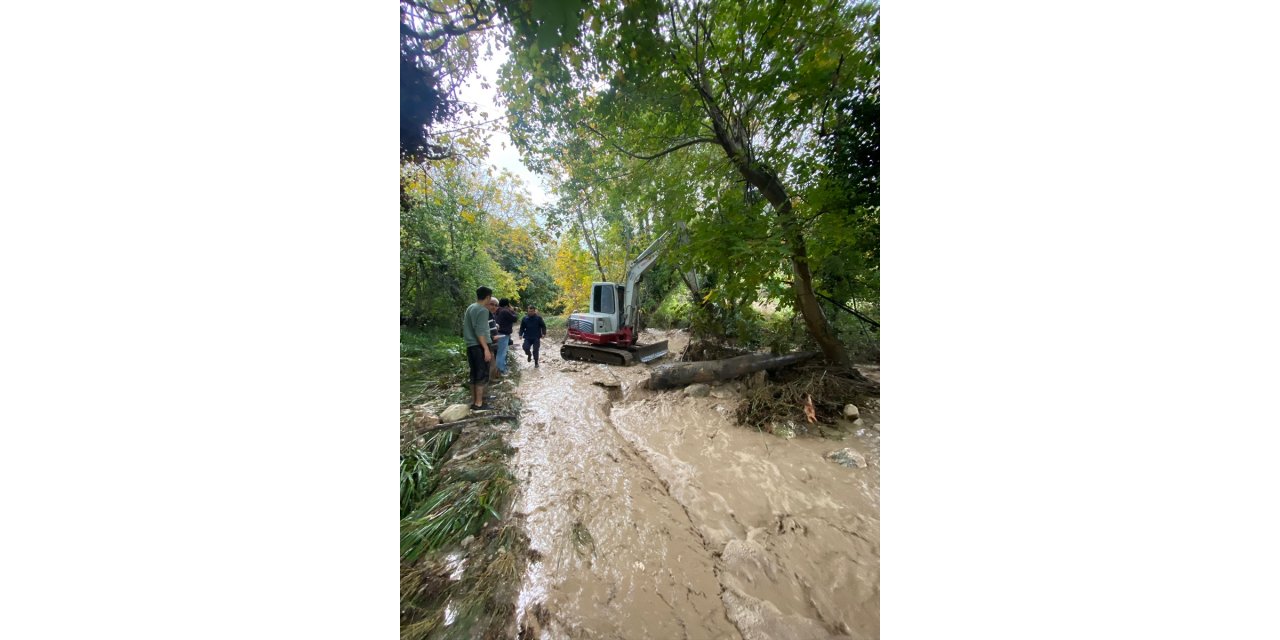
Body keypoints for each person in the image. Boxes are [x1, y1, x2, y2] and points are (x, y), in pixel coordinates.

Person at [461, 286, 495, 411]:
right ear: (487, 297)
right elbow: (479, 331)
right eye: (490, 297)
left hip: (471, 345)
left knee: (474, 374)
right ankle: (479, 403)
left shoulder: (471, 307)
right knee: (481, 374)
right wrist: (486, 348)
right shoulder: (482, 310)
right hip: (479, 346)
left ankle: (476, 400)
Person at [494, 298, 519, 376]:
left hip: (497, 333)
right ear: (507, 304)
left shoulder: (497, 310)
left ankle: (500, 369)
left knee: (499, 352)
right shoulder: (505, 311)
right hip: (503, 334)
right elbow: (515, 318)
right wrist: (513, 310)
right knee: (501, 353)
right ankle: (501, 370)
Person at [485, 297, 501, 381]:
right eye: (492, 304)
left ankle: (491, 380)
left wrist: (496, 326)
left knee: (492, 363)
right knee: (491, 364)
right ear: (487, 303)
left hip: (492, 344)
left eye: (496, 305)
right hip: (487, 344)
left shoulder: (491, 315)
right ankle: (490, 381)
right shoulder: (485, 314)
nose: (494, 307)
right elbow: (482, 331)